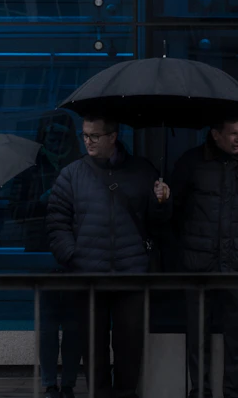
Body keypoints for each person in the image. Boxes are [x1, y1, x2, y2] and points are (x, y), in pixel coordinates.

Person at [46, 115, 172, 398]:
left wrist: (162, 203)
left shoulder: (142, 172)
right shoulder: (72, 174)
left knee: (130, 346)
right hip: (89, 275)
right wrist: (74, 256)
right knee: (93, 349)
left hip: (131, 274)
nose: (88, 141)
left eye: (95, 136)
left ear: (113, 137)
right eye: (85, 135)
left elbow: (158, 224)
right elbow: (56, 223)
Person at [170, 115, 238, 398]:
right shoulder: (191, 162)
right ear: (215, 134)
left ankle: (234, 393)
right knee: (197, 337)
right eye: (232, 133)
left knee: (237, 339)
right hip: (199, 264)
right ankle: (200, 391)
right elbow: (174, 211)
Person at [9, 110, 83, 398]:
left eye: (60, 135)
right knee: (48, 324)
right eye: (50, 135)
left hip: (74, 252)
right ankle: (51, 383)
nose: (54, 140)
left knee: (74, 325)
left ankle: (68, 384)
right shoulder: (30, 169)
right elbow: (15, 211)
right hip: (40, 250)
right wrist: (41, 202)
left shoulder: (81, 167)